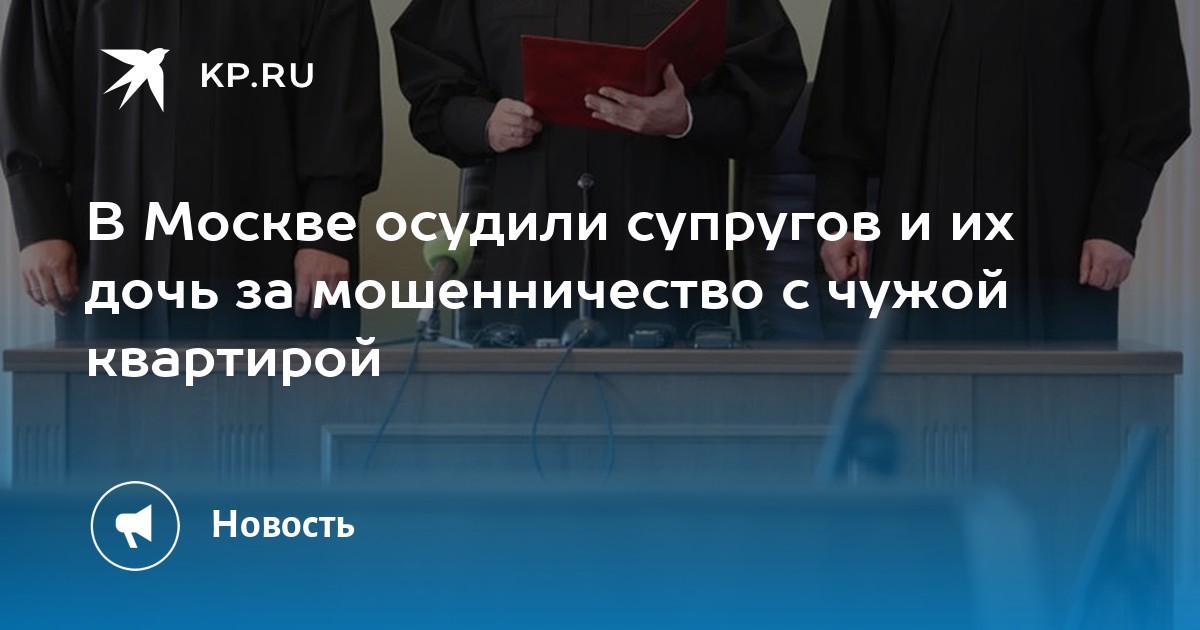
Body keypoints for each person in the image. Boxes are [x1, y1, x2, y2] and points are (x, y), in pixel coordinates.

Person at [392, 0, 806, 341]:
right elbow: (432, 86)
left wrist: (686, 117)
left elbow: (767, 86)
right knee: (519, 399)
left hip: (668, 250)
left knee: (673, 400)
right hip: (527, 254)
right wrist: (484, 122)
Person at [802, 0, 1191, 341]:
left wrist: (1115, 223)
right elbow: (848, 91)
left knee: (1054, 390)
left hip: (1056, 237)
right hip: (920, 236)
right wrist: (840, 214)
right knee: (921, 387)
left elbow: (1145, 92)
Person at [1, 0, 382, 340]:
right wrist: (41, 226)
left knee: (272, 384)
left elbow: (340, 88)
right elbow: (37, 74)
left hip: (269, 242)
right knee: (112, 387)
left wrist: (328, 233)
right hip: (109, 243)